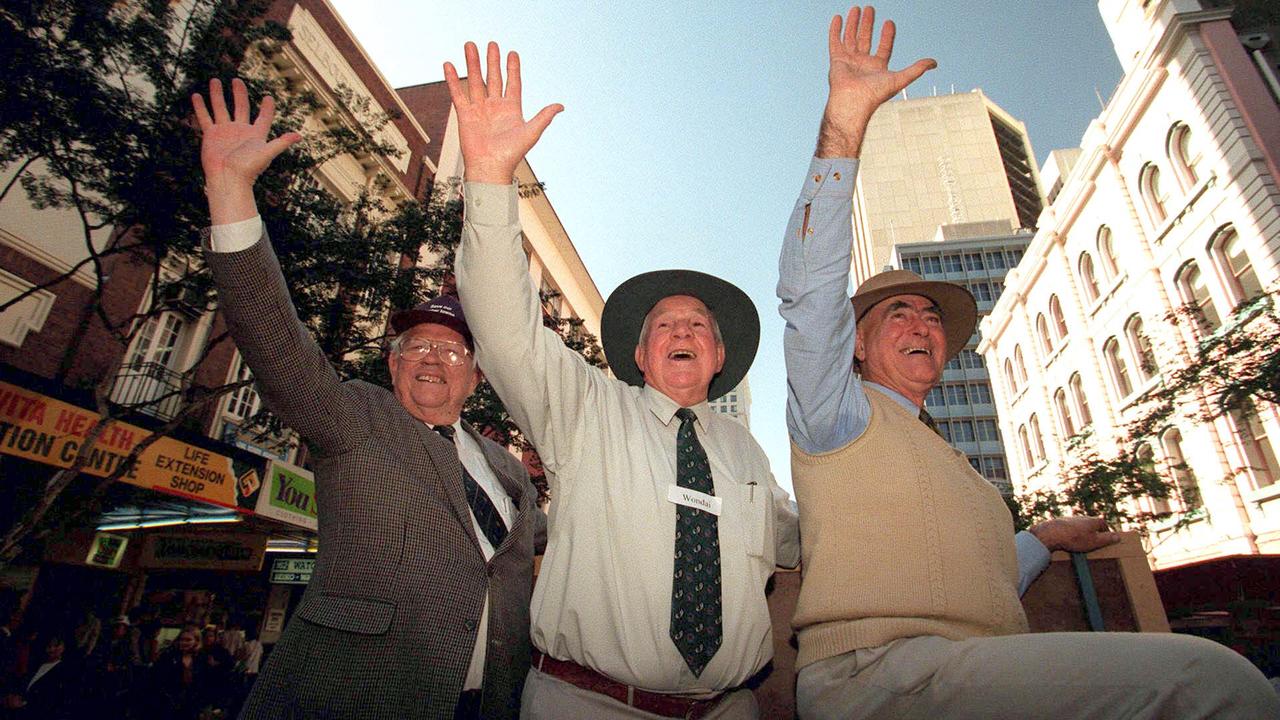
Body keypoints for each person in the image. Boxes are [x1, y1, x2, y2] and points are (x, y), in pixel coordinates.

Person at [777, 7, 1280, 719]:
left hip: (967, 668)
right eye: (898, 313)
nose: (922, 323)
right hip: (881, 676)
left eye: (931, 317)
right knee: (1210, 681)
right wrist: (845, 125)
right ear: (855, 344)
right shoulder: (836, 414)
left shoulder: (958, 470)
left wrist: (1042, 537)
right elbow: (808, 292)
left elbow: (984, 580)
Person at [444, 40, 801, 720]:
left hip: (730, 709)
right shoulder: (586, 411)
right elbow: (506, 331)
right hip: (586, 704)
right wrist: (489, 179)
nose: (684, 332)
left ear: (719, 358)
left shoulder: (748, 456)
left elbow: (804, 539)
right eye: (664, 325)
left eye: (698, 325)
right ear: (640, 357)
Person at [189, 77, 545, 719]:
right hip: (352, 698)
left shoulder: (507, 471)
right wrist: (230, 189)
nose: (434, 356)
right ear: (391, 364)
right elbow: (273, 341)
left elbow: (563, 545)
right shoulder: (354, 418)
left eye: (454, 350)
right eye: (416, 346)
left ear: (476, 378)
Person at [3, 635, 78, 720]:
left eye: (56, 646)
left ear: (64, 648)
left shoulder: (63, 671)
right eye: (49, 646)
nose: (52, 649)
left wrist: (22, 704)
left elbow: (50, 700)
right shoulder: (38, 664)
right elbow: (24, 685)